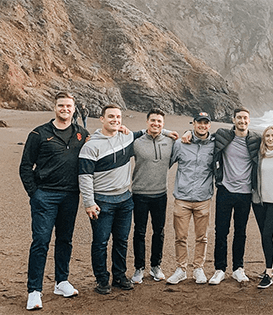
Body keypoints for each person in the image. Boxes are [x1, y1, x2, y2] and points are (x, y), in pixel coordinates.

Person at [79, 104, 178, 294]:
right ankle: (102, 279)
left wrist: (166, 131)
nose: (115, 120)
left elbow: (152, 130)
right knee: (100, 242)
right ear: (102, 119)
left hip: (125, 199)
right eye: (111, 117)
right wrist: (89, 202)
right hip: (103, 200)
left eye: (118, 117)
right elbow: (84, 176)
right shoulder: (92, 144)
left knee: (121, 240)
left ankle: (119, 275)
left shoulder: (126, 137)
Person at [19, 92, 89, 310]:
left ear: (74, 108)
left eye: (69, 106)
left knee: (65, 240)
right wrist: (35, 193)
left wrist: (126, 130)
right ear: (55, 107)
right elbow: (25, 167)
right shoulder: (39, 133)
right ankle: (34, 291)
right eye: (61, 105)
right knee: (40, 242)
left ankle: (62, 281)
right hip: (45, 196)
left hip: (70, 195)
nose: (65, 109)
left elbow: (103, 144)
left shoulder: (81, 133)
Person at [208, 107, 261, 285]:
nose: (242, 121)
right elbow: (201, 134)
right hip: (225, 190)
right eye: (239, 118)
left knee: (241, 232)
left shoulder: (255, 139)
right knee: (221, 231)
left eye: (245, 118)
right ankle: (220, 269)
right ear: (233, 119)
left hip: (245, 193)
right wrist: (185, 133)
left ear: (249, 120)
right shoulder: (223, 135)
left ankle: (238, 268)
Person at [167, 112, 215, 285]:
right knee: (181, 237)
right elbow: (167, 162)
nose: (202, 126)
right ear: (193, 124)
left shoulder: (214, 145)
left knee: (202, 237)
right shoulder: (181, 144)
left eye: (205, 123)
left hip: (203, 199)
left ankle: (198, 268)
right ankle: (181, 269)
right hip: (182, 199)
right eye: (199, 123)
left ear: (209, 126)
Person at [130, 108, 174, 284]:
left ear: (163, 125)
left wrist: (170, 133)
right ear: (147, 122)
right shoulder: (136, 142)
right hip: (139, 194)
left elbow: (187, 138)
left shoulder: (171, 142)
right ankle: (139, 268)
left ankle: (156, 266)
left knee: (159, 232)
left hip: (160, 194)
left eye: (159, 122)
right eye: (153, 120)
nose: (156, 123)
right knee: (139, 232)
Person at [252, 126, 273, 289]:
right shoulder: (259, 154)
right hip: (259, 202)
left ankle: (268, 272)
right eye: (267, 136)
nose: (271, 138)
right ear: (263, 138)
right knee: (264, 236)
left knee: (267, 235)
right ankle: (270, 266)